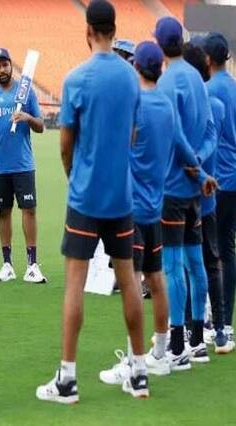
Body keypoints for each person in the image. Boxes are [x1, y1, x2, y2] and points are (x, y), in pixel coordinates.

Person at [36, 0, 147, 403]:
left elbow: (66, 144)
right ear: (114, 30)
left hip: (85, 196)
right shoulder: (131, 78)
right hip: (121, 197)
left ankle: (67, 379)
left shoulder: (76, 78)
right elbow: (132, 135)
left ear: (88, 31)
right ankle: (139, 373)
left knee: (74, 285)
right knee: (130, 280)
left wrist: (75, 176)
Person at [99, 41, 174, 385]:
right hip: (155, 205)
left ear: (136, 67)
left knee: (132, 284)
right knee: (156, 280)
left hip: (131, 207)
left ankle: (134, 361)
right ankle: (160, 354)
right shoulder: (166, 105)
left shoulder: (134, 105)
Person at [155, 17, 218, 367]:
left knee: (173, 265)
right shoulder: (196, 77)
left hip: (174, 185)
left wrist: (193, 165)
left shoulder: (167, 82)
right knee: (196, 262)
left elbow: (174, 133)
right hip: (195, 189)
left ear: (159, 44)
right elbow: (209, 131)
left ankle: (177, 345)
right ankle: (197, 340)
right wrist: (201, 166)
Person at [0, 47, 47, 283]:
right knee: (4, 212)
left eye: (5, 65)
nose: (2, 69)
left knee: (29, 210)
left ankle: (32, 265)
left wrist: (27, 117)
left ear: (11, 65)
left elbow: (41, 126)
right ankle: (7, 265)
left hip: (23, 164)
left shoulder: (26, 93)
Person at [203, 32, 236, 346]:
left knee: (208, 252)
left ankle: (212, 322)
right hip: (235, 177)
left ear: (208, 59)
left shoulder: (208, 90)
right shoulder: (234, 87)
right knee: (228, 248)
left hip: (217, 179)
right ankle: (226, 320)